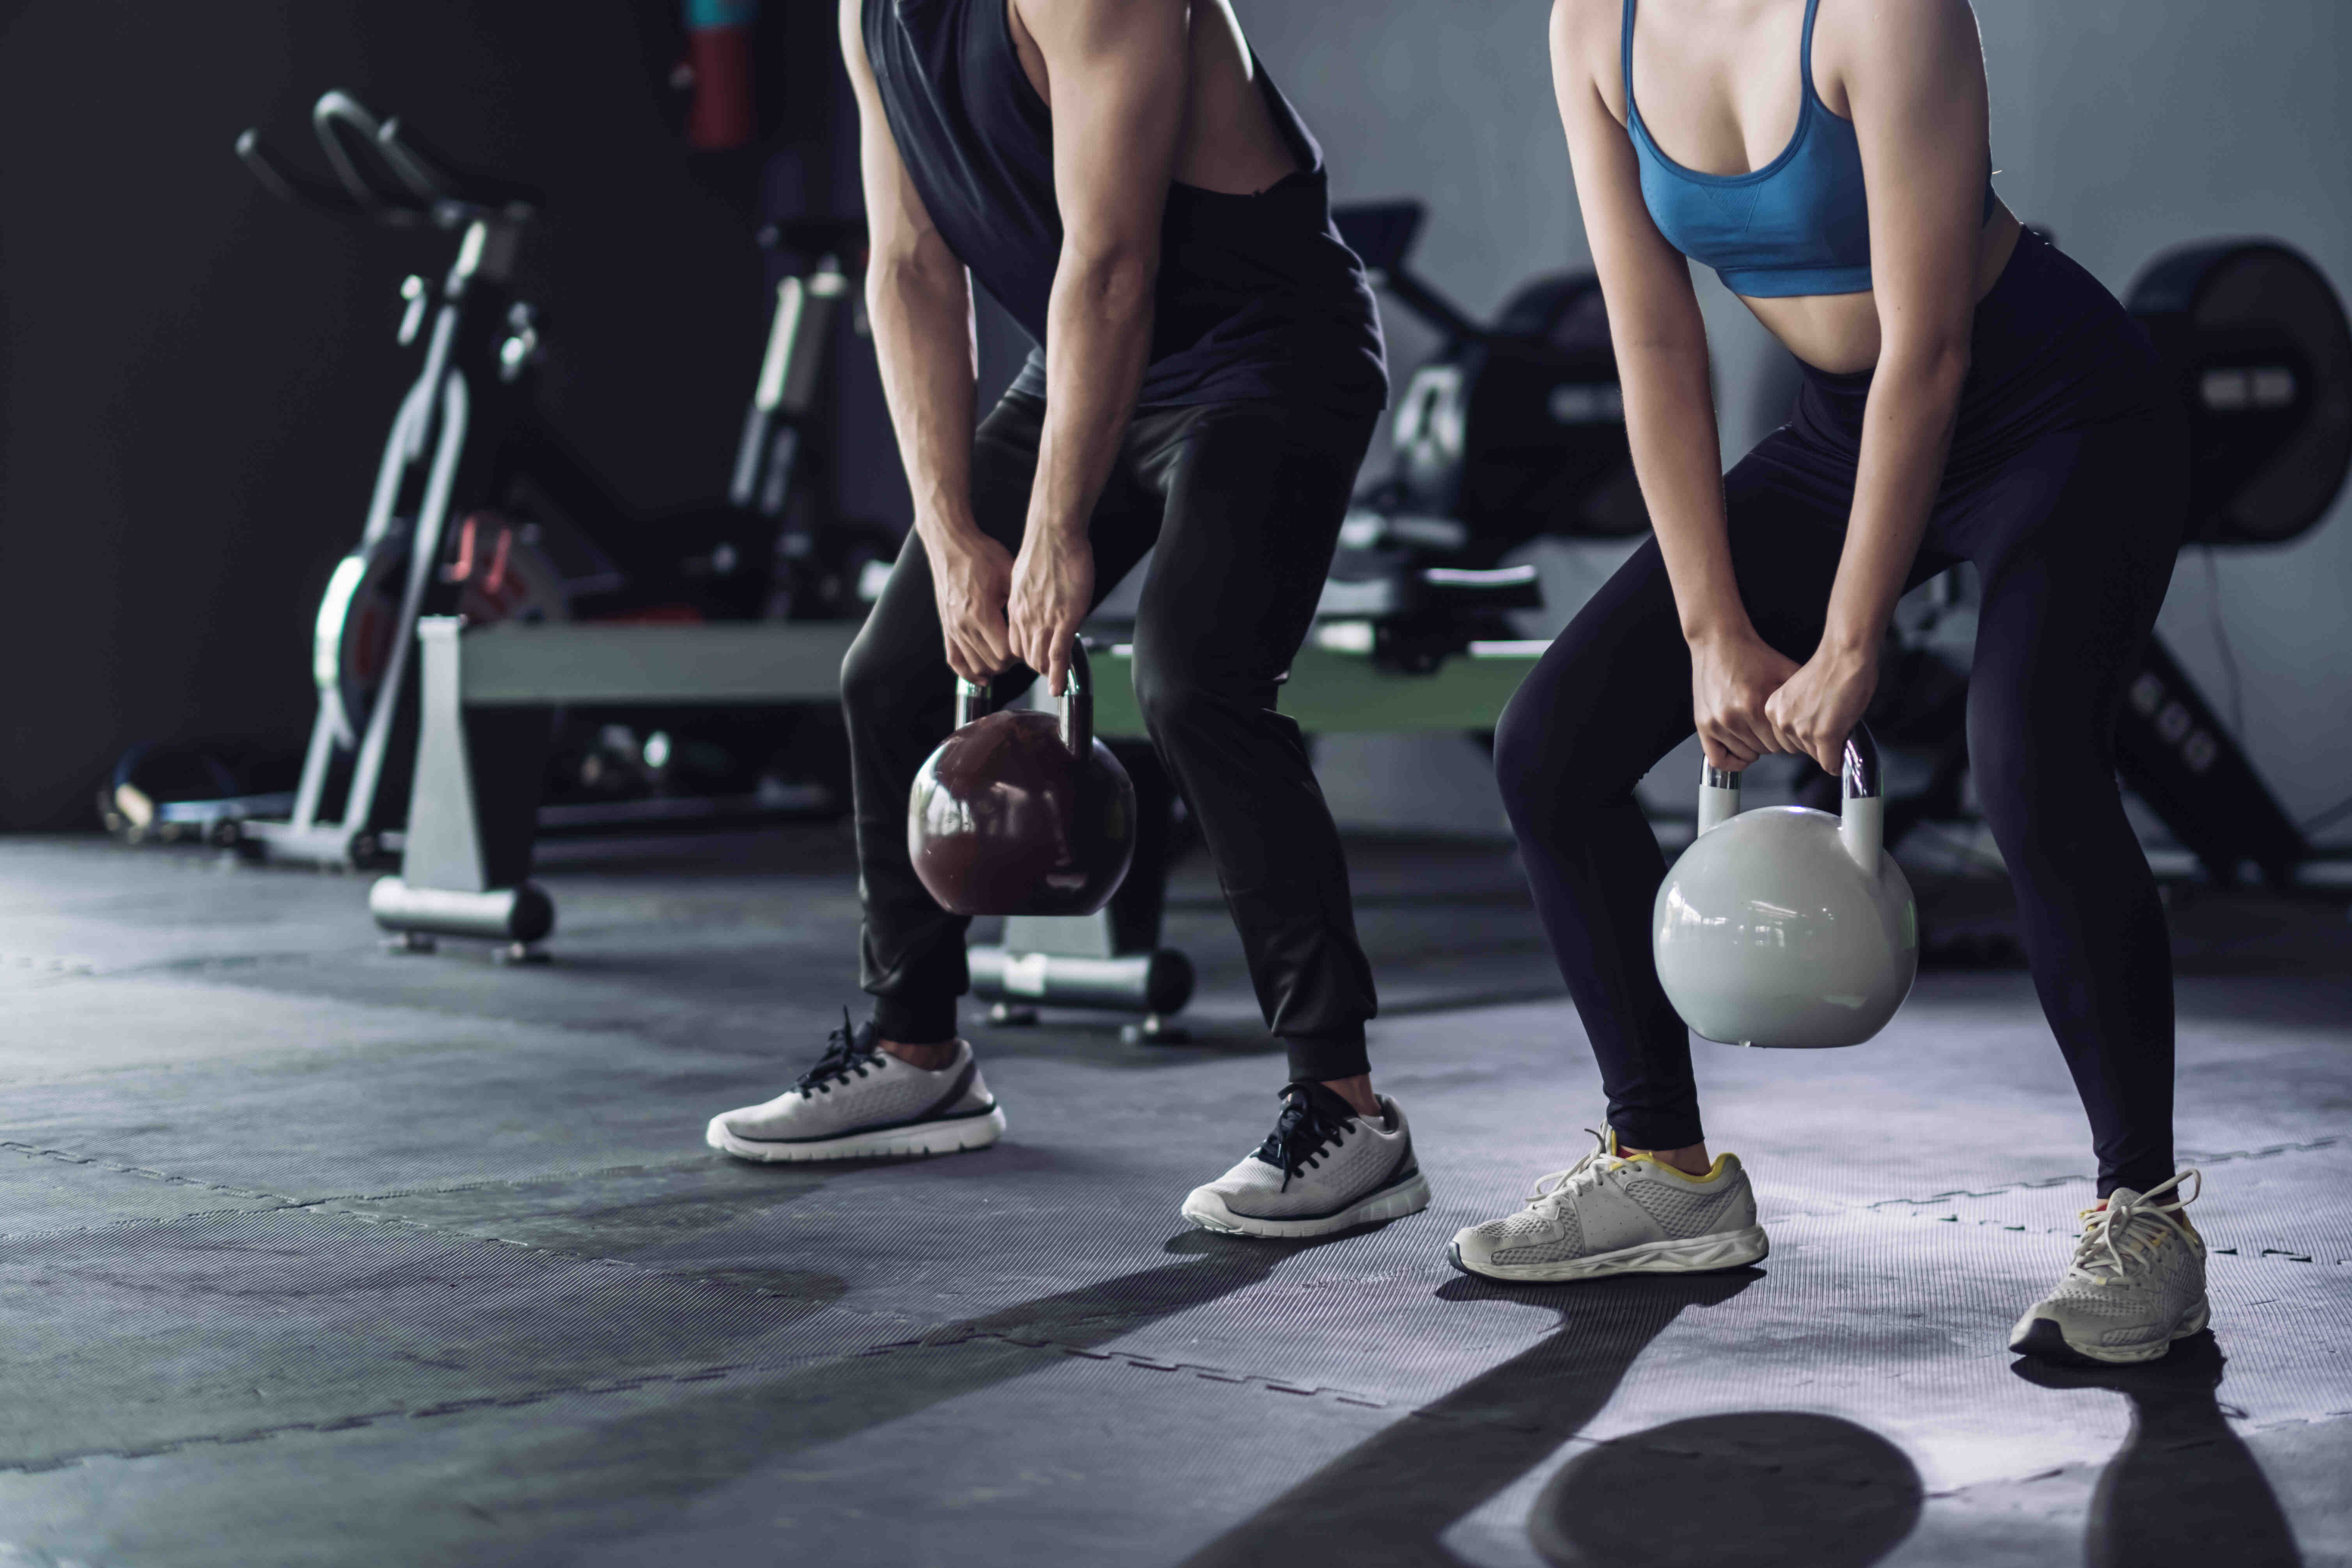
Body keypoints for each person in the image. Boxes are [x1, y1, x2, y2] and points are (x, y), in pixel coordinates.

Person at [1450, 0, 2208, 1366]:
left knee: (2026, 759)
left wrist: (1852, 640)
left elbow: (1932, 349)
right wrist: (1710, 626)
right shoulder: (1593, 29)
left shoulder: (1886, 12)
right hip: (1839, 432)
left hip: (2058, 415)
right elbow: (1654, 342)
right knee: (1550, 747)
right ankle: (1661, 1167)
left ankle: (2144, 1218)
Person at [705, 0, 1433, 1240]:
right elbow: (908, 265)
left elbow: (1111, 260)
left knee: (1195, 679)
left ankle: (1347, 1107)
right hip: (1083, 363)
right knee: (892, 674)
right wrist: (951, 535)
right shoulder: (868, 14)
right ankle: (917, 1051)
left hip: (1264, 356)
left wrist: (1054, 531)